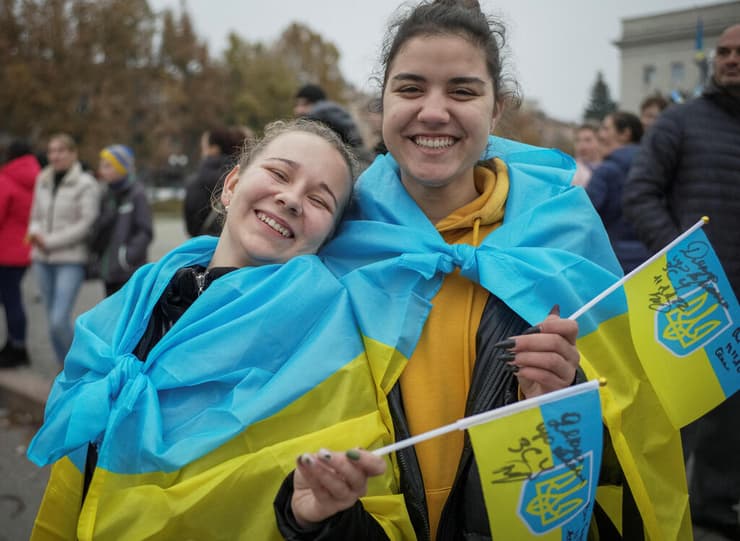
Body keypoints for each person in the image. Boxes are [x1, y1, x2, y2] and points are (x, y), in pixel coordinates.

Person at [273, 1, 691, 539]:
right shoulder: (332, 231)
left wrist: (567, 393)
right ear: (381, 104)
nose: (433, 111)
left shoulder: (562, 231)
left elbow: (639, 429)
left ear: (497, 110)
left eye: (463, 91)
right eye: (410, 88)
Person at [26, 120, 414, 540]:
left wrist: (320, 521)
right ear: (232, 185)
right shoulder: (136, 301)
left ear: (327, 238)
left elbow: (384, 522)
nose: (291, 198)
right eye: (280, 174)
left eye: (320, 199)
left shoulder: (329, 347)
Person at [623, 23, 740, 541]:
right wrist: (683, 260)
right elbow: (640, 194)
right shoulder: (681, 122)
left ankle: (718, 517)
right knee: (692, 424)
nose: (731, 59)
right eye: (725, 52)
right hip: (699, 303)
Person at [27, 133, 99, 364]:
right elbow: (35, 214)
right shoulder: (43, 178)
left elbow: (86, 223)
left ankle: (77, 365)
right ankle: (64, 366)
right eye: (51, 151)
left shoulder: (86, 183)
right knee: (51, 320)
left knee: (59, 319)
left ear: (73, 153)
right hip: (41, 258)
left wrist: (50, 240)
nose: (55, 156)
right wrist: (36, 233)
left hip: (70, 259)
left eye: (60, 151)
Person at [586, 111, 649, 273]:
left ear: (625, 133)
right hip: (656, 258)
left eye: (606, 129)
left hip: (614, 261)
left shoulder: (606, 171)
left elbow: (587, 214)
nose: (600, 135)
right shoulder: (658, 167)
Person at [88, 144, 153, 296]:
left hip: (128, 271)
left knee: (127, 314)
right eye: (102, 165)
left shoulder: (137, 194)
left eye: (108, 166)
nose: (102, 170)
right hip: (108, 270)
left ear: (121, 168)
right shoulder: (106, 193)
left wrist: (126, 257)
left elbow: (145, 230)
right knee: (111, 315)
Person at [0, 138, 41, 368]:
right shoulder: (38, 178)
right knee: (12, 298)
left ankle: (16, 347)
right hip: (25, 249)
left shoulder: (6, 179)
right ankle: (15, 343)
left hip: (5, 251)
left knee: (11, 300)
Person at [183, 126, 246, 237]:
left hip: (204, 245)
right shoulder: (243, 175)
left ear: (214, 149)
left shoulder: (196, 181)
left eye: (204, 147)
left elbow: (191, 226)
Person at [294, 83, 368, 155]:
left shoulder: (320, 112)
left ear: (313, 102)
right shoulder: (331, 110)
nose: (297, 110)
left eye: (302, 104)